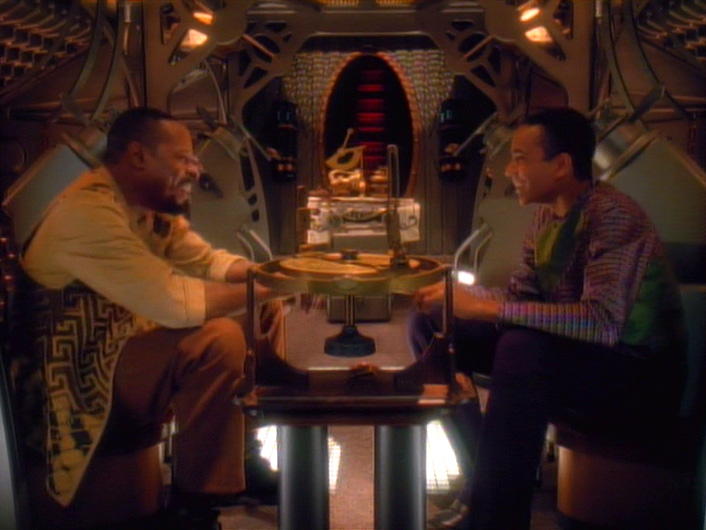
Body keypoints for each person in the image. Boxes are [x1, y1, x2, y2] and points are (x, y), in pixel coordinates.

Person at [408, 107, 687, 529]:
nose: (509, 169)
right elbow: (520, 298)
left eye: (521, 158)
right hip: (581, 360)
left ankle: (494, 518)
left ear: (561, 165)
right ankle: (481, 482)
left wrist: (489, 306)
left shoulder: (613, 216)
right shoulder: (546, 217)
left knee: (521, 347)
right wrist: (454, 299)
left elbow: (602, 323)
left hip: (638, 380)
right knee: (432, 324)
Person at [12, 107, 283, 529]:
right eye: (183, 159)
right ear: (138, 156)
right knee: (219, 340)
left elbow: (207, 261)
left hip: (119, 347)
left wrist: (275, 276)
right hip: (75, 374)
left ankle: (243, 456)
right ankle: (195, 507)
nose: (195, 170)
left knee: (262, 309)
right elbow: (173, 303)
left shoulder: (143, 208)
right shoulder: (87, 213)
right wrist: (276, 285)